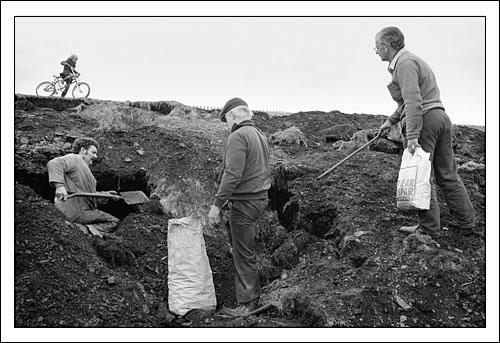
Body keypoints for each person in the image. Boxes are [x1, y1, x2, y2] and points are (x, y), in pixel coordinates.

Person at [375, 26, 475, 237]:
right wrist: (390, 121)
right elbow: (409, 100)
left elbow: (413, 101)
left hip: (425, 122)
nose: (375, 51)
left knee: (421, 175)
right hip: (440, 118)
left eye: (376, 46)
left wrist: (411, 136)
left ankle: (428, 229)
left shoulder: (404, 64)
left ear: (386, 46)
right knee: (448, 174)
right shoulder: (410, 60)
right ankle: (467, 222)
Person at [207, 97, 271, 316]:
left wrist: (217, 205)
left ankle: (247, 304)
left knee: (242, 254)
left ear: (233, 115)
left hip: (245, 203)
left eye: (226, 120)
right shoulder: (259, 135)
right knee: (244, 249)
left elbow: (232, 174)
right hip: (259, 199)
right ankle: (252, 296)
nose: (227, 125)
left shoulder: (238, 136)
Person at [47, 137, 120, 237]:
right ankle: (83, 230)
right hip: (74, 209)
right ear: (83, 150)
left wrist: (105, 195)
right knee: (114, 221)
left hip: (81, 210)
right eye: (93, 152)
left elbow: (86, 195)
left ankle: (83, 231)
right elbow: (54, 163)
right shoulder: (75, 159)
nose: (95, 156)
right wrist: (59, 186)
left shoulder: (85, 170)